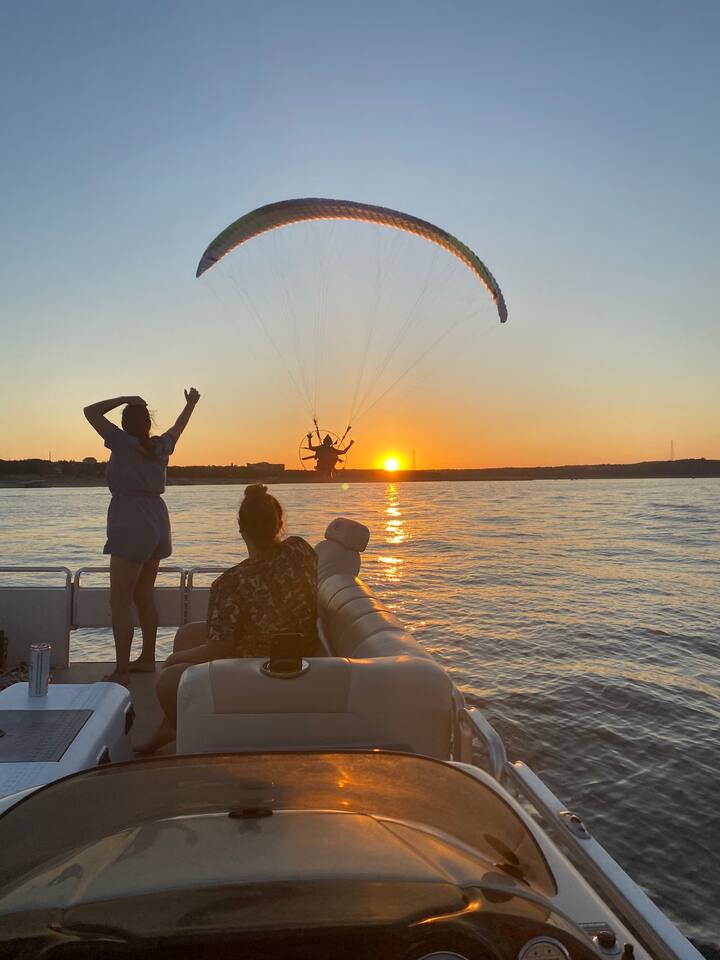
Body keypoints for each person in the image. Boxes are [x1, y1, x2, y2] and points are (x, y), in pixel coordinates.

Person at [135, 484, 318, 755]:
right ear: (279, 524)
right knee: (186, 635)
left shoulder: (231, 583)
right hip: (302, 649)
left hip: (263, 665)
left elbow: (222, 649)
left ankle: (182, 730)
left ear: (241, 529)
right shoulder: (300, 549)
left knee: (168, 678)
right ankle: (169, 725)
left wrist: (176, 659)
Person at [83, 389, 200, 684]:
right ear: (148, 423)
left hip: (131, 520)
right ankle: (147, 659)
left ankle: (121, 671)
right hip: (158, 520)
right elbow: (179, 427)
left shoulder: (122, 442)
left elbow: (90, 411)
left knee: (120, 601)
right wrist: (190, 404)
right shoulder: (161, 446)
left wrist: (123, 398)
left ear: (125, 424)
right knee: (143, 595)